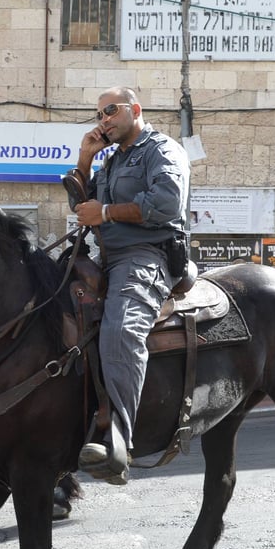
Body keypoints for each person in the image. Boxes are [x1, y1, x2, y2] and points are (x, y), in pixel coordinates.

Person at [66, 86, 190, 485]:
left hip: (146, 255)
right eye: (99, 113)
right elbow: (82, 206)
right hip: (105, 257)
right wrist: (85, 158)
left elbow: (167, 203)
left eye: (111, 110)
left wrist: (104, 212)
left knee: (121, 329)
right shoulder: (113, 160)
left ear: (135, 109)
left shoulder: (162, 150)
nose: (104, 118)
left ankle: (120, 438)